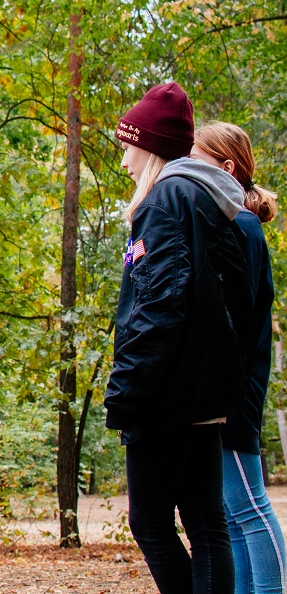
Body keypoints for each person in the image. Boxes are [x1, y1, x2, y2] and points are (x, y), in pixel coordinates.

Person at [106, 82, 254, 594]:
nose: (124, 162)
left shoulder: (165, 200)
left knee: (151, 526)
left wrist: (126, 392)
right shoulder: (209, 200)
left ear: (148, 148)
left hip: (166, 395)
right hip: (205, 393)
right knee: (208, 526)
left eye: (127, 149)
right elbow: (240, 297)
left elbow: (158, 306)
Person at [192, 121, 286, 594]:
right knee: (231, 510)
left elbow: (238, 319)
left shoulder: (243, 227)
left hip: (236, 391)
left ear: (227, 168)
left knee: (249, 506)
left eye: (198, 157)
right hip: (223, 389)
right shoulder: (231, 224)